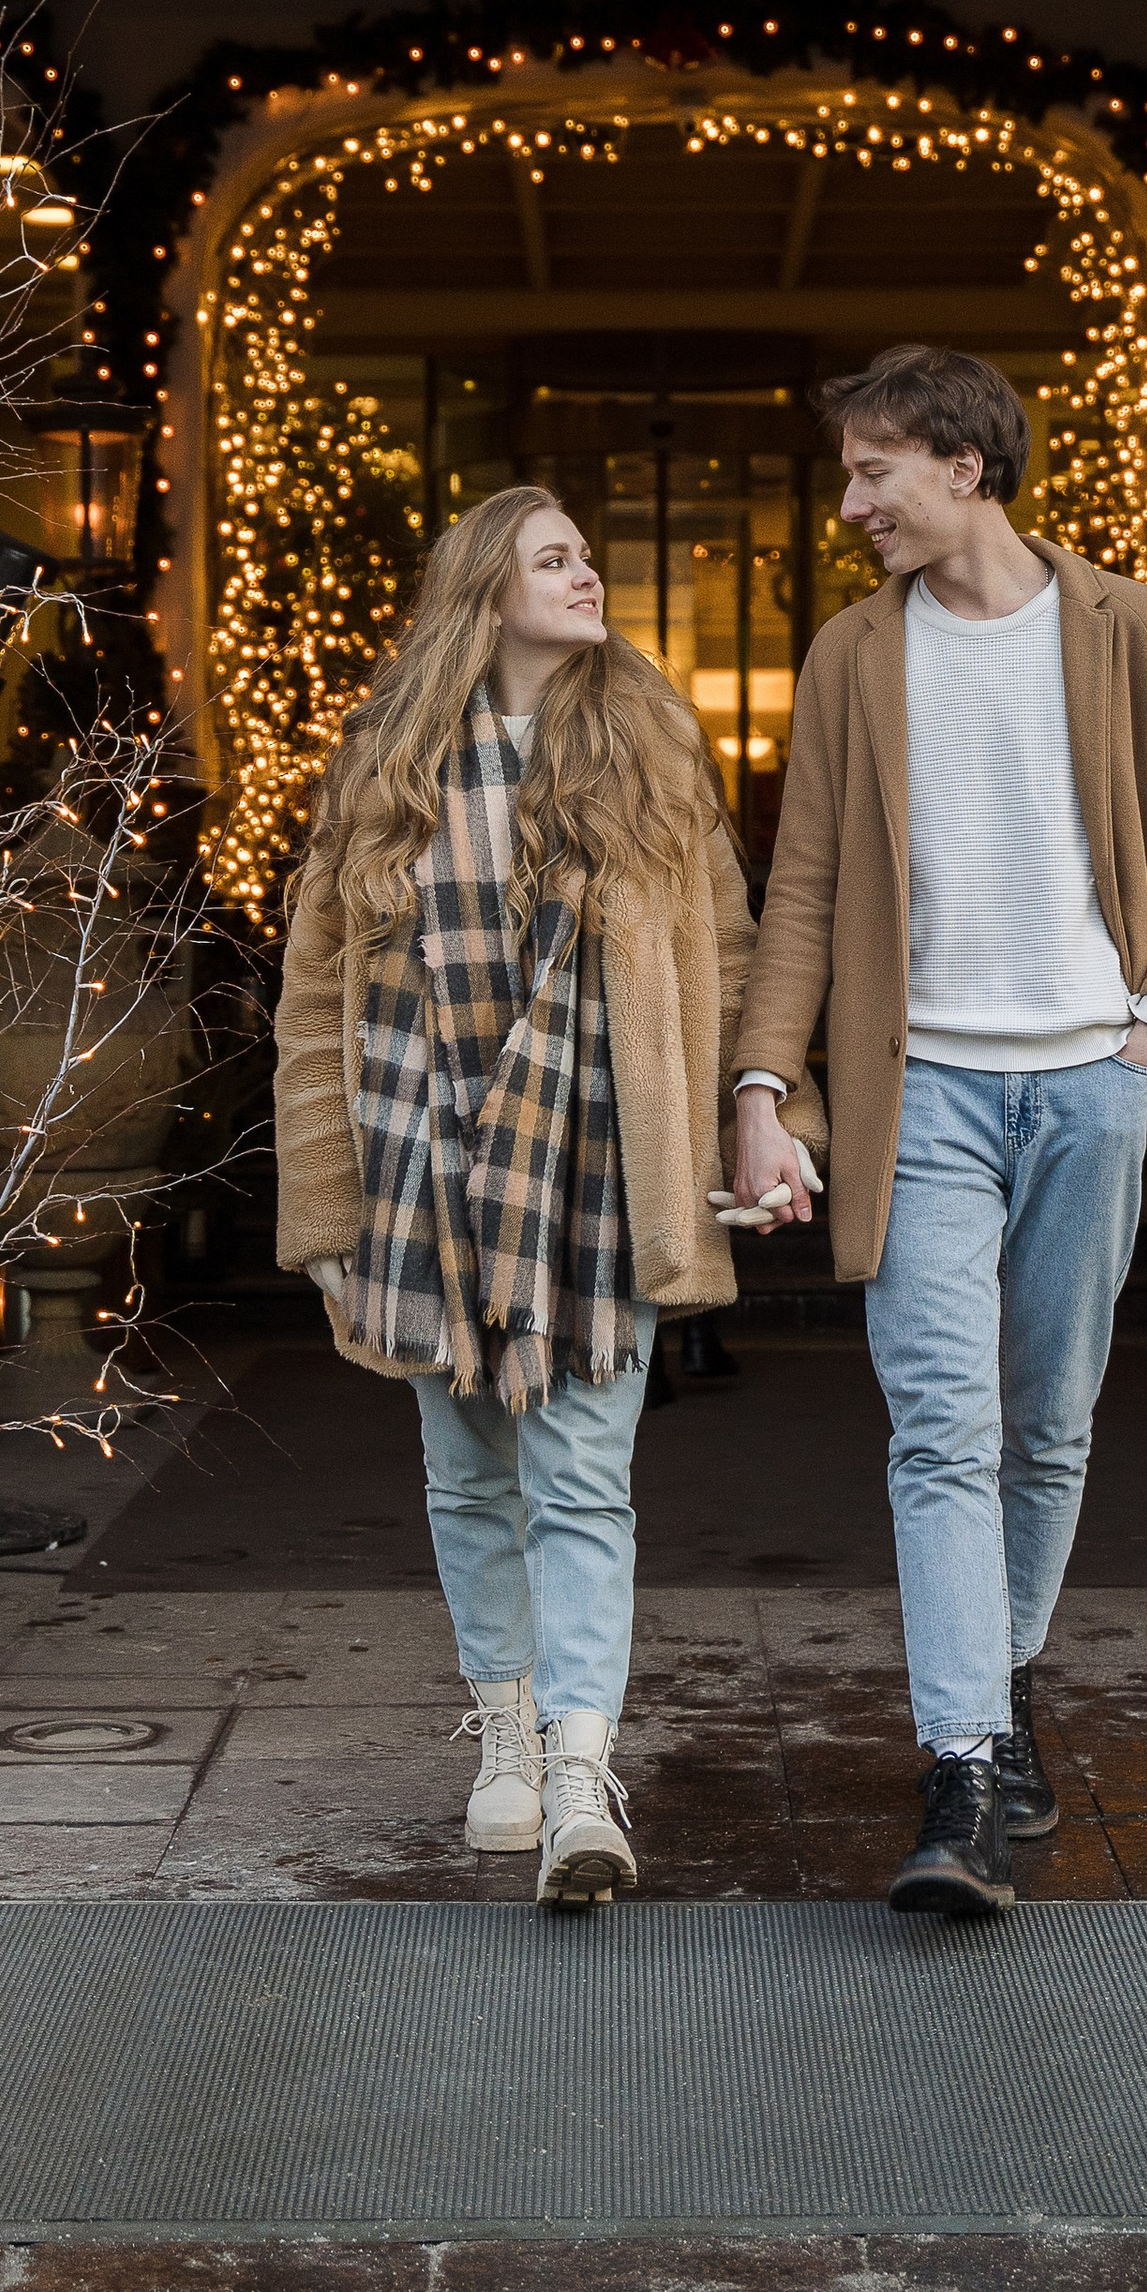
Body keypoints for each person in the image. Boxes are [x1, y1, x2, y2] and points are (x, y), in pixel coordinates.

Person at [728, 346, 1147, 1920]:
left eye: (872, 471)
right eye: (847, 475)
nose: (853, 504)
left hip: (1095, 1086)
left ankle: (1004, 1683)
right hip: (928, 1100)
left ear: (964, 465)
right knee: (940, 1427)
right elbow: (805, 891)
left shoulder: (1131, 628)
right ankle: (962, 1758)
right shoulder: (851, 656)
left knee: (1049, 1425)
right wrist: (764, 1086)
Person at [274, 482, 821, 1907]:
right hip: (418, 1169)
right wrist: (325, 1215)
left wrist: (760, 1128)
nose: (587, 577)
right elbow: (310, 1004)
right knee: (466, 1479)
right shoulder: (381, 768)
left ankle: (582, 1768)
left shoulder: (652, 760)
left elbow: (741, 957)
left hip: (599, 1172)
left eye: (586, 557)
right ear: (485, 589)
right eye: (555, 558)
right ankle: (504, 1734)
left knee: (583, 1481)